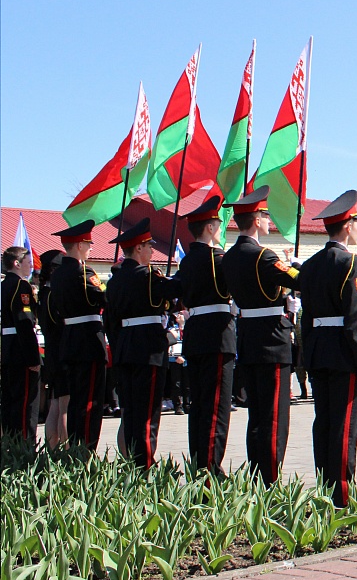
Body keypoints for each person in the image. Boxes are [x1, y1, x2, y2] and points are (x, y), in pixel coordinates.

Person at [297, 190, 357, 507]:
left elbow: (306, 317)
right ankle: (341, 496)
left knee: (324, 423)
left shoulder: (310, 266)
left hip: (317, 352)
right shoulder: (352, 263)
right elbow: (355, 322)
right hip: (343, 355)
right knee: (343, 427)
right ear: (346, 225)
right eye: (356, 221)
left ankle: (325, 488)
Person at [221, 186, 299, 484]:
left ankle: (256, 473)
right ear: (255, 219)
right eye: (265, 215)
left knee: (256, 416)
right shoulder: (264, 256)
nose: (269, 221)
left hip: (248, 339)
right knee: (274, 418)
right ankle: (269, 479)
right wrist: (295, 269)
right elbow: (298, 280)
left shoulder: (229, 257)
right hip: (272, 341)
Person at [104, 220, 180, 466]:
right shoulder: (147, 278)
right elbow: (175, 293)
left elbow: (111, 322)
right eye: (148, 246)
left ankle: (132, 462)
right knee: (148, 413)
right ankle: (144, 465)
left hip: (125, 348)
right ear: (138, 248)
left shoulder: (114, 281)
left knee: (132, 411)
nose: (151, 251)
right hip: (148, 349)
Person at [175, 196, 237, 476]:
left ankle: (199, 460)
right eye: (218, 224)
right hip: (216, 335)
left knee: (199, 405)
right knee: (216, 406)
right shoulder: (217, 259)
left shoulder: (186, 262)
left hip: (196, 334)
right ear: (211, 228)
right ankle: (210, 469)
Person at [49, 219, 109, 449]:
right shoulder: (83, 271)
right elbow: (103, 298)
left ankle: (74, 446)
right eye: (89, 243)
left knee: (75, 400)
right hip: (88, 341)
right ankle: (85, 450)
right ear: (80, 245)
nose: (91, 247)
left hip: (69, 339)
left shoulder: (57, 275)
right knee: (90, 401)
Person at [1, 246, 41, 440]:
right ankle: (24, 450)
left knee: (9, 402)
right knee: (25, 404)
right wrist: (33, 358)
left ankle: (9, 446)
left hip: (7, 348)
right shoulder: (20, 286)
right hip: (20, 350)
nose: (31, 265)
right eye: (27, 261)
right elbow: (24, 324)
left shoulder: (3, 285)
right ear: (16, 264)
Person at [36, 251, 69, 446]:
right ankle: (65, 449)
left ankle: (53, 449)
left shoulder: (43, 294)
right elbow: (61, 323)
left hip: (52, 353)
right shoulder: (53, 296)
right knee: (64, 405)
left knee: (55, 404)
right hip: (61, 353)